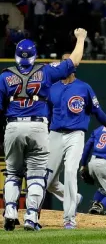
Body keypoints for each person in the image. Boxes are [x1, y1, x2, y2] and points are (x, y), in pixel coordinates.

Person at [1, 29, 87, 231]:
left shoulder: (4, 76)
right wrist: (81, 39)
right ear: (34, 56)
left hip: (13, 124)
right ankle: (31, 217)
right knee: (37, 175)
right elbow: (73, 61)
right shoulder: (45, 71)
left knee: (13, 173)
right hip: (38, 126)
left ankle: (11, 212)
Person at [46, 54, 106, 229]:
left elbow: (99, 114)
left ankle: (69, 219)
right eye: (62, 61)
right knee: (47, 181)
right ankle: (74, 198)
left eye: (66, 61)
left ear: (73, 66)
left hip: (75, 134)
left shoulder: (83, 88)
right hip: (54, 134)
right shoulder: (52, 87)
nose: (63, 64)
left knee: (70, 172)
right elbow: (45, 113)